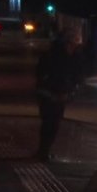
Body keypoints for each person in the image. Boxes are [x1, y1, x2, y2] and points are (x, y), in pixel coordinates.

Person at [34, 29, 83, 161]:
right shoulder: (56, 57)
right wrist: (55, 93)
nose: (73, 48)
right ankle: (43, 151)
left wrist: (70, 91)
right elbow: (47, 76)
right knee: (49, 124)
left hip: (56, 96)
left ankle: (44, 151)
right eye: (72, 45)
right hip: (49, 96)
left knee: (51, 124)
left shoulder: (68, 57)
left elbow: (75, 76)